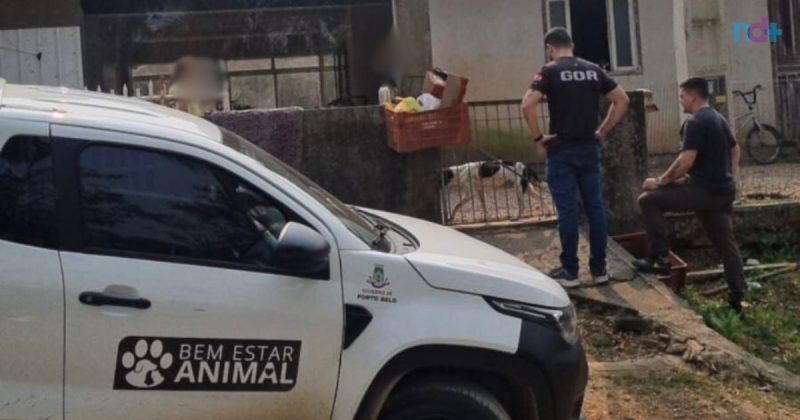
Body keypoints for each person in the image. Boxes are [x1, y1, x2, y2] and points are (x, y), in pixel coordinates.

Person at [522, 27, 630, 288]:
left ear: (550, 48)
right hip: (589, 149)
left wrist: (538, 137)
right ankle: (600, 269)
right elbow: (622, 99)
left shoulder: (548, 71)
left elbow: (528, 104)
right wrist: (602, 131)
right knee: (595, 207)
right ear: (573, 45)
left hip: (561, 150)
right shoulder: (593, 69)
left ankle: (570, 271)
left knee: (568, 211)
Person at [635, 77, 746, 317]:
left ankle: (659, 258)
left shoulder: (695, 122)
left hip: (704, 192)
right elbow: (735, 149)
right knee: (726, 243)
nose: (681, 101)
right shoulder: (718, 118)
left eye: (682, 96)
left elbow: (686, 161)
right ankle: (737, 298)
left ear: (693, 97)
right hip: (723, 192)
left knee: (648, 200)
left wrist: (660, 181)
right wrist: (730, 176)